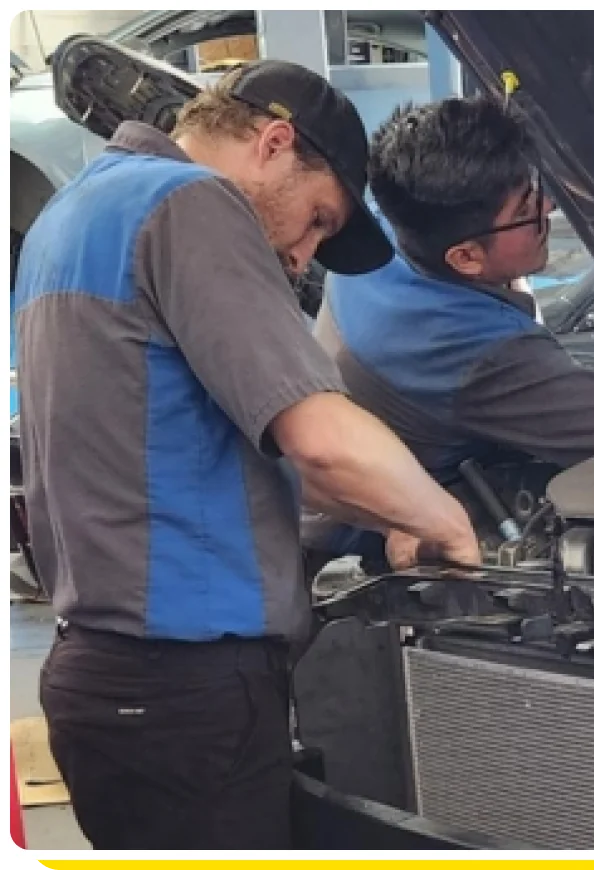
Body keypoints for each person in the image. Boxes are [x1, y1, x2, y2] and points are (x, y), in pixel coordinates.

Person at [13, 61, 479, 850]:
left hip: (101, 685)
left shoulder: (76, 211)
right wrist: (446, 524)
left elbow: (176, 447)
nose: (303, 255)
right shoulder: (191, 204)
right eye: (319, 220)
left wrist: (386, 512)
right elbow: (320, 439)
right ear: (273, 142)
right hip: (186, 695)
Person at [310, 96, 594, 557]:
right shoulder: (470, 349)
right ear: (465, 257)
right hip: (362, 556)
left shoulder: (387, 222)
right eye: (526, 211)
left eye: (535, 188)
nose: (547, 212)